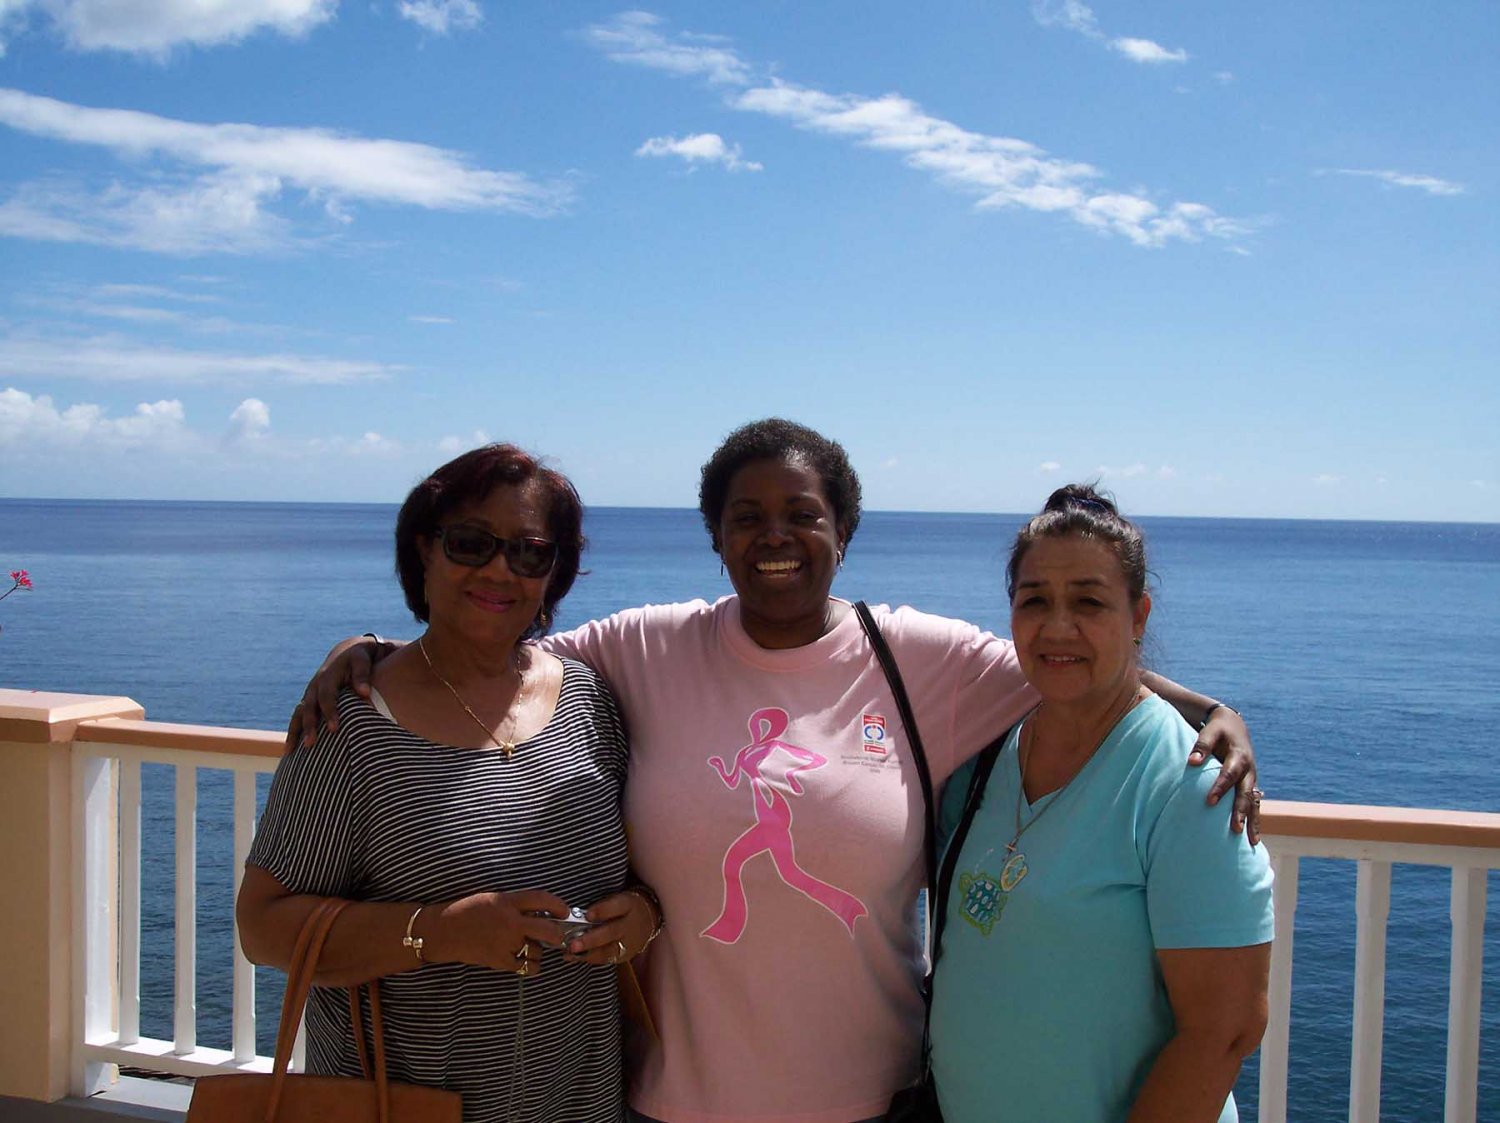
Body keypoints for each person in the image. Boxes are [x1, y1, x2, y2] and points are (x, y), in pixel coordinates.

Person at [291, 420, 1260, 1123]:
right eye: (746, 515)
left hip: (875, 1094)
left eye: (804, 513)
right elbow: (494, 645)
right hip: (668, 1094)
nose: (775, 535)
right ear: (714, 536)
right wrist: (374, 649)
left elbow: (1068, 656)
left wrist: (1209, 709)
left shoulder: (918, 655)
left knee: (774, 865)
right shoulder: (645, 645)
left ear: (844, 531)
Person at [238, 445, 662, 1123]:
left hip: (580, 1100)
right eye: (471, 543)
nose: (499, 569)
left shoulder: (587, 700)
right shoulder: (353, 725)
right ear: (424, 550)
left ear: (553, 573)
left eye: (529, 552)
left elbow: (638, 868)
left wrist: (642, 915)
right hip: (400, 1104)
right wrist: (435, 932)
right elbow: (262, 926)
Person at [930, 485, 1273, 1122]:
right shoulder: (989, 751)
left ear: (1138, 616)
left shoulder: (1189, 785)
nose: (1058, 626)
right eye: (1035, 600)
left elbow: (1226, 1029)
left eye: (1089, 602)